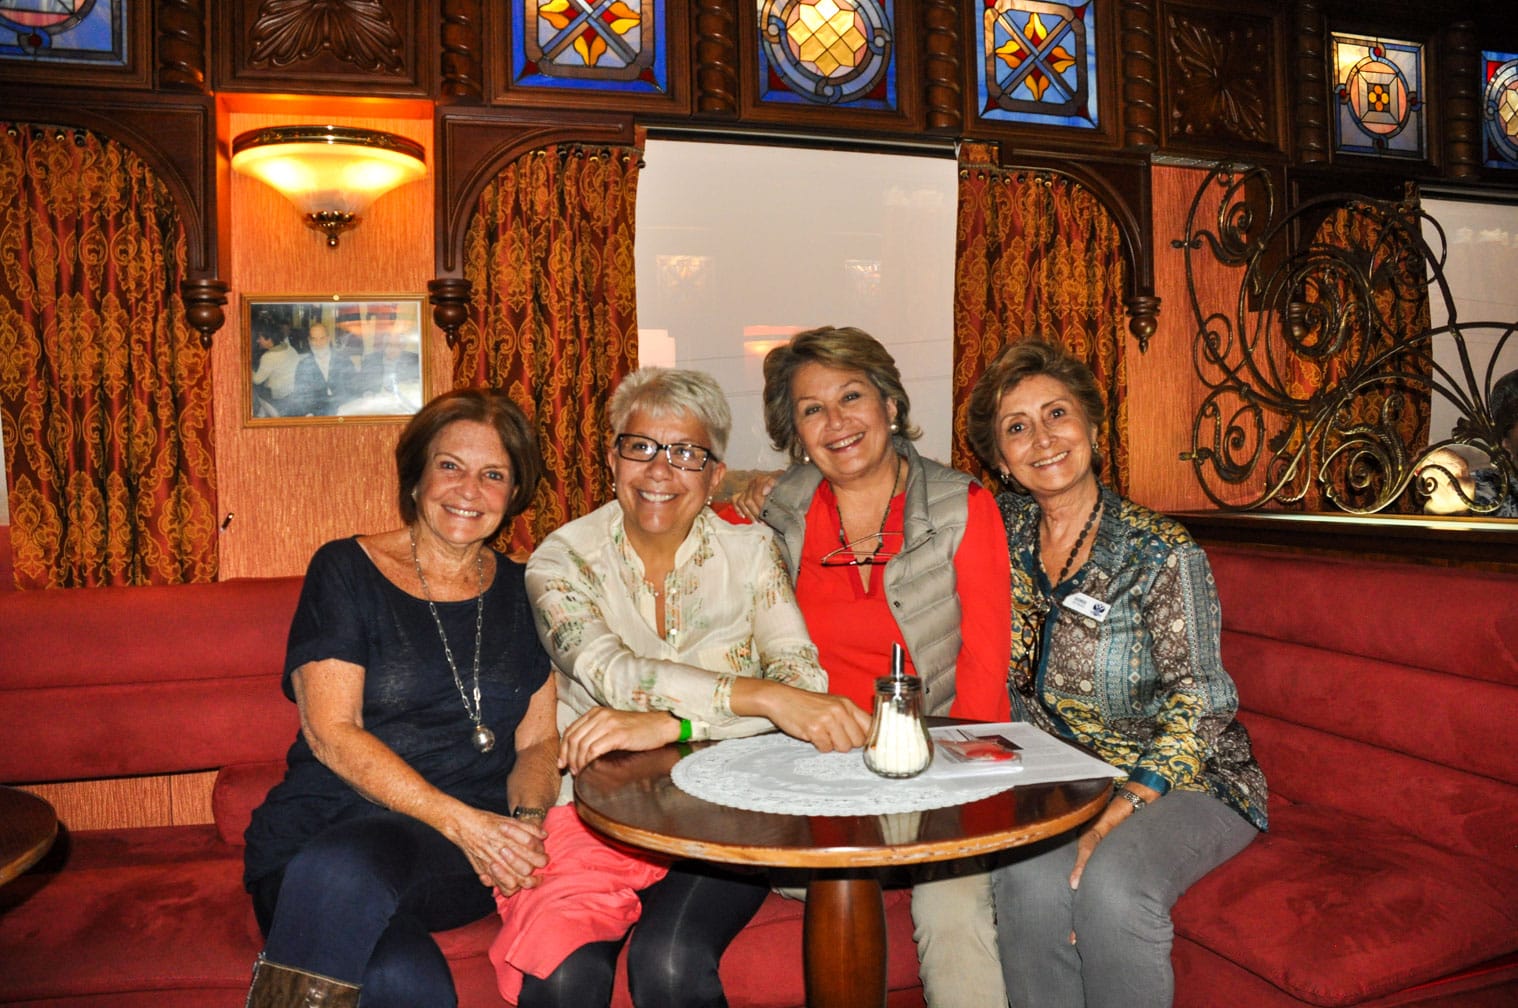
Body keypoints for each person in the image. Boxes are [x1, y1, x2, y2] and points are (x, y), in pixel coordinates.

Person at [517, 367, 869, 1007]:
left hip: (728, 814)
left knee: (672, 961)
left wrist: (679, 725)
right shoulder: (559, 560)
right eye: (641, 446)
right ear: (612, 458)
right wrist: (760, 697)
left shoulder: (752, 551)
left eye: (685, 453)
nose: (659, 469)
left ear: (713, 476)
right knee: (563, 975)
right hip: (596, 817)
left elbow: (802, 679)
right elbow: (612, 675)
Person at [964, 340, 1267, 1008]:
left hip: (1187, 778)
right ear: (1001, 461)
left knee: (1113, 886)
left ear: (1094, 429)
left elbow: (1202, 701)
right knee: (1023, 880)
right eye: (1017, 427)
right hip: (1063, 778)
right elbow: (901, 492)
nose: (1042, 438)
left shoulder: (1159, 550)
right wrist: (753, 486)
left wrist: (1122, 807)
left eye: (1057, 413)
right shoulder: (998, 528)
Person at [242, 388, 561, 1008]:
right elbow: (331, 733)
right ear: (415, 476)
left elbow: (540, 739)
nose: (469, 490)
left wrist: (521, 829)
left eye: (493, 474)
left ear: (513, 493)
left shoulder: (529, 591)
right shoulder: (345, 569)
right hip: (325, 832)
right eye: (450, 466)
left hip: (452, 861)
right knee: (404, 980)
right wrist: (465, 823)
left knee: (345, 872)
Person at [740, 325, 1013, 1008]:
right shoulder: (776, 509)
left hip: (936, 763)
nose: (836, 422)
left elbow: (983, 667)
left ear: (889, 403)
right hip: (817, 767)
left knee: (953, 914)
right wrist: (736, 480)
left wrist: (956, 788)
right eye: (811, 409)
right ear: (794, 432)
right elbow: (675, 512)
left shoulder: (961, 505)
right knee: (835, 878)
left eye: (851, 396)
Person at [292, 322, 359, 416]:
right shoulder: (303, 365)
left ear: (328, 339)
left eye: (322, 338)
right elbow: (300, 396)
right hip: (316, 414)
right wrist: (307, 413)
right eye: (314, 339)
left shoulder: (344, 360)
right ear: (309, 341)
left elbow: (354, 389)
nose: (318, 344)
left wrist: (349, 409)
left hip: (343, 411)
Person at [251, 328, 300, 416]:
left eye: (260, 338)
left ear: (269, 339)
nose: (258, 340)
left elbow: (257, 380)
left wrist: (248, 369)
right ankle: (263, 411)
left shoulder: (268, 357)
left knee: (252, 386)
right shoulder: (288, 347)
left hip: (278, 394)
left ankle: (269, 411)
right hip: (292, 389)